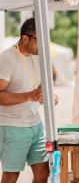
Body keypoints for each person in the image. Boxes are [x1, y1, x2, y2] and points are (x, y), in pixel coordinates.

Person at [0, 18, 58, 183]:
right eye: (39, 40)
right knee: (11, 177)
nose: (42, 45)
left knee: (43, 174)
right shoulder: (6, 59)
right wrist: (28, 96)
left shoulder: (37, 56)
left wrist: (50, 96)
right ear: (25, 38)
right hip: (12, 127)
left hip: (36, 125)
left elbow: (40, 88)